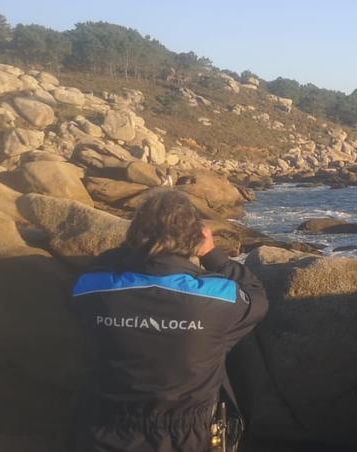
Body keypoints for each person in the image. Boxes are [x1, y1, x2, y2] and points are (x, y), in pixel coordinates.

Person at [68, 189, 268, 452]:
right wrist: (212, 254)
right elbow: (256, 296)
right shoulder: (218, 299)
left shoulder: (90, 289)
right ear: (195, 240)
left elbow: (96, 269)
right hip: (187, 435)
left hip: (103, 428)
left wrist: (135, 250)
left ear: (134, 236)